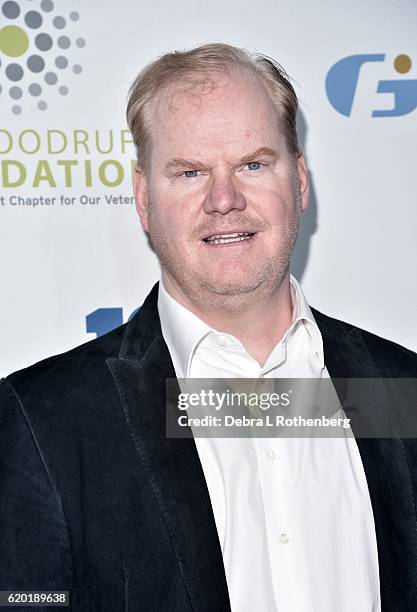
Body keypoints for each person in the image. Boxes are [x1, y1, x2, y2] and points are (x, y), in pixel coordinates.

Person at [1, 43, 416, 612]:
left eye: (252, 164)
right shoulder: (43, 419)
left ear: (298, 181)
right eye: (190, 172)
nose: (225, 200)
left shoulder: (401, 388)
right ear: (145, 200)